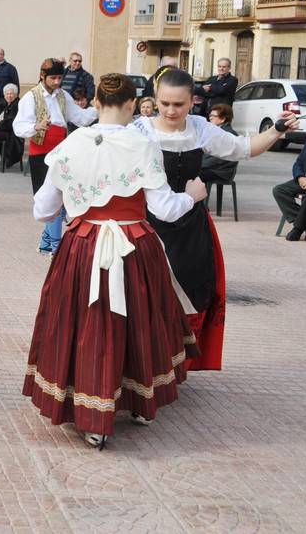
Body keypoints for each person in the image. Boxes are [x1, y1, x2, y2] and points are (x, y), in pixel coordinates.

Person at [24, 73, 207, 448]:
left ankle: (91, 415)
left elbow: (43, 210)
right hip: (134, 243)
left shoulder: (71, 146)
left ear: (94, 101)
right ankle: (140, 403)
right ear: (130, 104)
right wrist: (192, 196)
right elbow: (166, 210)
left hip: (83, 244)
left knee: (87, 324)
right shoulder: (142, 145)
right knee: (140, 322)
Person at [130, 67, 296, 371]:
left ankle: (174, 364)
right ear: (155, 99)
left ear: (192, 101)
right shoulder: (139, 131)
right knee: (146, 295)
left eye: (178, 104)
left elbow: (242, 149)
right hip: (148, 224)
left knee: (192, 289)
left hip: (191, 227)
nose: (170, 110)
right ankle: (146, 367)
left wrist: (277, 131)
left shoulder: (199, 128)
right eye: (164, 103)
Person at [14, 59, 99, 256]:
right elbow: (18, 126)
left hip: (61, 151)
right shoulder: (31, 97)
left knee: (60, 196)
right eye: (53, 78)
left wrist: (99, 108)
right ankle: (55, 246)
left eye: (60, 77)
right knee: (48, 197)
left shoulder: (63, 96)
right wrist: (35, 127)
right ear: (42, 76)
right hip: (41, 152)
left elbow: (80, 117)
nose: (57, 82)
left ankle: (47, 243)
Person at [199, 104, 239, 186]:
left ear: (222, 119)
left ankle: (196, 198)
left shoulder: (229, 134)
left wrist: (199, 165)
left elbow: (219, 158)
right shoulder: (215, 132)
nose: (210, 118)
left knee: (192, 175)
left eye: (214, 116)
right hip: (213, 168)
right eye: (210, 115)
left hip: (222, 171)